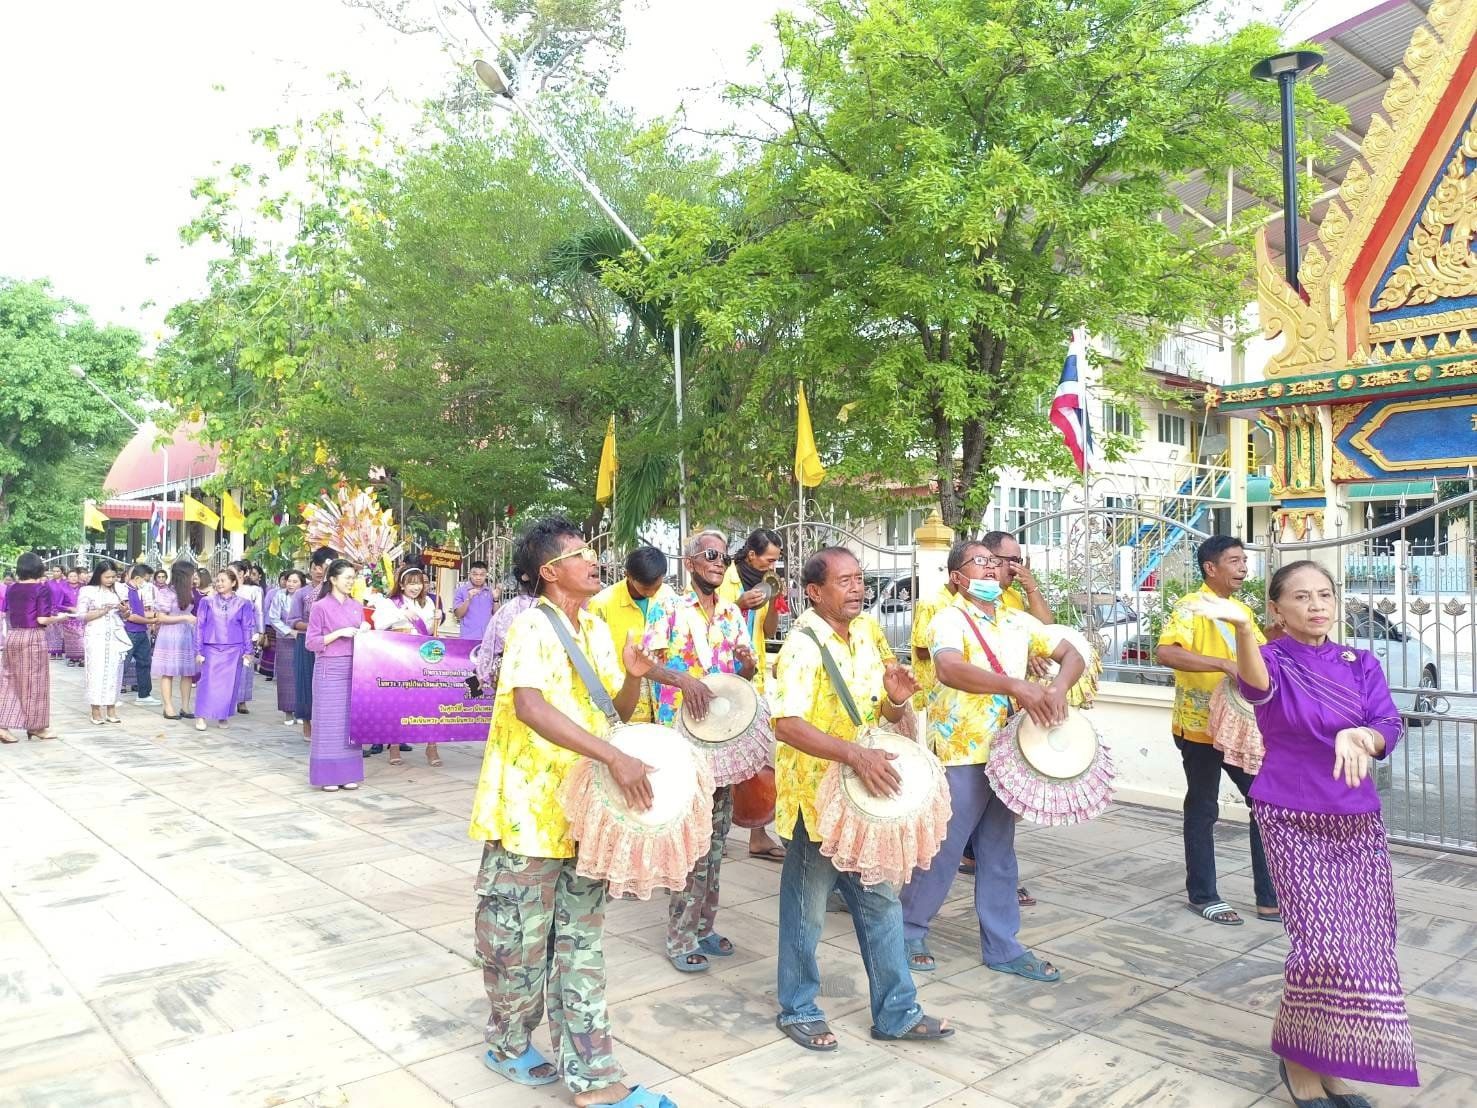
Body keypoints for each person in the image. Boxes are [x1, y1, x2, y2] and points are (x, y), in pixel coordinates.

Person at [1194, 561, 1416, 1106]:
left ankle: (1330, 1063)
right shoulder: (1269, 659)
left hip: (1357, 818)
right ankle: (1299, 1064)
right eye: (1300, 597)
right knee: (1320, 947)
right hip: (1292, 815)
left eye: (1324, 595)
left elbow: (1390, 724)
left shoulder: (1360, 663)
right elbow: (1255, 686)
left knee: (1364, 947)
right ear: (1277, 609)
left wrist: (1364, 735)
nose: (1316, 605)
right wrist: (1245, 632)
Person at [468, 518, 670, 1106]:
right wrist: (612, 756)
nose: (596, 561)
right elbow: (528, 706)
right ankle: (506, 1041)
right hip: (528, 814)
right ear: (550, 572)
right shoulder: (532, 624)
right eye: (583, 554)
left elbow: (615, 712)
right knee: (518, 947)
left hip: (585, 813)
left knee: (580, 946)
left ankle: (594, 1080)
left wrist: (633, 678)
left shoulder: (598, 630)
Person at [770, 546, 950, 1052]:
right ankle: (798, 1007)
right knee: (805, 913)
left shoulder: (869, 633)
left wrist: (895, 699)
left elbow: (882, 715)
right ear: (814, 591)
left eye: (860, 579)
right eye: (844, 580)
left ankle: (896, 1012)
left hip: (861, 798)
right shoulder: (802, 646)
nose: (857, 588)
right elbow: (786, 725)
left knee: (881, 905)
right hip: (816, 800)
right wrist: (853, 755)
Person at [899, 536, 1082, 981]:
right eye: (977, 563)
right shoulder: (949, 618)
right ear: (957, 578)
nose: (989, 569)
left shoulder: (1018, 622)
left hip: (1008, 751)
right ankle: (907, 930)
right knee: (944, 845)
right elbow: (948, 668)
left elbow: (1072, 652)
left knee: (999, 852)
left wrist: (1055, 689)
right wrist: (1016, 687)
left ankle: (1002, 945)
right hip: (960, 749)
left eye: (993, 562)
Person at [639, 531, 756, 973]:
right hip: (684, 739)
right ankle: (681, 935)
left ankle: (705, 926)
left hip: (723, 738)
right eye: (711, 555)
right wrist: (684, 681)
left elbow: (741, 670)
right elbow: (645, 663)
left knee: (718, 840)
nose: (719, 563)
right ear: (690, 562)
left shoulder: (730, 611)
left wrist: (747, 665)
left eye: (725, 558)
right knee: (692, 842)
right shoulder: (668, 607)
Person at [1157, 534, 1279, 927]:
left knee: (1265, 803)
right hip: (1199, 728)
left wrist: (1279, 632)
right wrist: (1223, 665)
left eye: (1244, 560)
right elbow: (1167, 652)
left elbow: (1258, 656)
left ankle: (1269, 899)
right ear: (1211, 568)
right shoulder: (1191, 608)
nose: (1244, 567)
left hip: (1239, 727)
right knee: (1203, 807)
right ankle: (1203, 895)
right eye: (1234, 560)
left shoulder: (1239, 610)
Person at [718, 528, 789, 862]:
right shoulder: (724, 579)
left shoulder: (767, 582)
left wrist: (773, 600)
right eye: (769, 559)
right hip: (722, 674)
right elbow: (708, 620)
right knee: (719, 753)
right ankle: (712, 828)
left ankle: (758, 833)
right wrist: (737, 604)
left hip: (752, 675)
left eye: (776, 560)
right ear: (751, 556)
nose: (772, 565)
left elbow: (770, 631)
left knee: (757, 753)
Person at [587, 545, 675, 726]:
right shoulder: (601, 604)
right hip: (625, 697)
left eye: (656, 587)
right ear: (628, 575)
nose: (651, 593)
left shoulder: (668, 595)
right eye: (645, 588)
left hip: (664, 695)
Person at [306, 558, 368, 790]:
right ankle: (328, 776)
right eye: (347, 578)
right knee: (327, 722)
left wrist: (364, 631)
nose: (351, 582)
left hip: (354, 668)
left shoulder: (356, 605)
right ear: (333, 579)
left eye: (353, 578)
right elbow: (311, 643)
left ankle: (349, 773)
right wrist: (339, 633)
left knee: (349, 723)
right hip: (329, 668)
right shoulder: (320, 607)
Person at [374, 565, 442, 766]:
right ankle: (394, 745)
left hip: (423, 657)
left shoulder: (428, 602)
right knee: (397, 702)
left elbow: (429, 630)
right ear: (401, 584)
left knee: (429, 703)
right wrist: (402, 615)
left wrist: (437, 618)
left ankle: (432, 747)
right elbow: (379, 625)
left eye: (419, 582)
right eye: (411, 583)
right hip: (398, 657)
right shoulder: (390, 603)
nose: (415, 587)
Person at [0, 552, 64, 740]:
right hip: (33, 637)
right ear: (39, 568)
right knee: (35, 683)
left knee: (8, 681)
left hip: (13, 636)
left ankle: (2, 725)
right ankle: (36, 727)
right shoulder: (41, 589)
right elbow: (42, 619)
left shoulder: (11, 588)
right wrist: (61, 618)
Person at [194, 568, 258, 733]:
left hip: (234, 649)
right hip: (211, 647)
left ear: (234, 583)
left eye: (223, 580)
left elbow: (247, 628)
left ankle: (223, 715)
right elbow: (199, 626)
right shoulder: (207, 602)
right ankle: (201, 715)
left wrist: (248, 651)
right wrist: (198, 650)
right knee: (207, 683)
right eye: (218, 580)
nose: (219, 583)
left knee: (229, 685)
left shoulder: (244, 603)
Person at [290, 548, 338, 742]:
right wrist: (315, 627)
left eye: (324, 567)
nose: (320, 571)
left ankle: (328, 725)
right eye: (316, 567)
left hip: (333, 643)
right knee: (306, 683)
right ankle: (308, 725)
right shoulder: (302, 593)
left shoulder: (338, 593)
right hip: (307, 643)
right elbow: (293, 621)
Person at [77, 562, 129, 724]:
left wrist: (123, 610)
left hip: (115, 633)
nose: (110, 580)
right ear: (98, 575)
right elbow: (81, 616)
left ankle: (111, 708)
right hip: (96, 634)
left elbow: (127, 614)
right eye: (107, 577)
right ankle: (95, 709)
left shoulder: (120, 589)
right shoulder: (88, 591)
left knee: (115, 670)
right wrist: (104, 610)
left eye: (113, 577)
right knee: (96, 670)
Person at [471, 568, 537, 695]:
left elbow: (493, 641)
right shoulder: (513, 607)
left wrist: (483, 669)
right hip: (519, 676)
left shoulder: (510, 607)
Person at [153, 562, 201, 720]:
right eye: (191, 574)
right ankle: (168, 707)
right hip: (170, 634)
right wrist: (185, 617)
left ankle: (185, 707)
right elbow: (160, 617)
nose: (194, 577)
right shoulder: (166, 592)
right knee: (168, 672)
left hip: (186, 634)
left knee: (187, 672)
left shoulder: (190, 592)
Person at [120, 563, 161, 706]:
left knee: (145, 663)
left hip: (141, 632)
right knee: (122, 665)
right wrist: (152, 620)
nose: (147, 582)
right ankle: (112, 695)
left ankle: (144, 694)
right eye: (146, 579)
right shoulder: (124, 591)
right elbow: (129, 616)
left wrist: (155, 617)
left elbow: (141, 612)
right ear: (137, 578)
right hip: (129, 631)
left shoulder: (138, 591)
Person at [269, 570, 304, 726]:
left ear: (302, 584)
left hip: (303, 639)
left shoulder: (306, 597)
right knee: (286, 677)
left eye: (295, 581)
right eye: (289, 581)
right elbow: (274, 618)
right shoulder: (279, 596)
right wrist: (290, 631)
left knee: (302, 676)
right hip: (285, 640)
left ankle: (302, 711)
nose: (290, 584)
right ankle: (288, 713)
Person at [231, 560, 263, 714]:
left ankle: (242, 700)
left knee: (246, 665)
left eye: (233, 571)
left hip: (248, 631)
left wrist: (261, 632)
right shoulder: (225, 588)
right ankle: (228, 698)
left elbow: (259, 612)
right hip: (228, 631)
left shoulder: (254, 590)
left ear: (242, 573)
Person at [453, 560, 496, 641]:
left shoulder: (490, 592)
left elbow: (496, 614)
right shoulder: (461, 591)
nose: (478, 577)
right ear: (470, 575)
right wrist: (468, 598)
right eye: (475, 574)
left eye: (482, 575)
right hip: (468, 637)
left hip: (487, 638)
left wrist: (496, 599)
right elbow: (458, 614)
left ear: (486, 575)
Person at [59, 568, 84, 667]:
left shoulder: (84, 588)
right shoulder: (63, 588)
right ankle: (72, 658)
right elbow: (58, 604)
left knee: (82, 638)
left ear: (78, 577)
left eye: (75, 576)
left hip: (82, 617)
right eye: (71, 576)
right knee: (71, 639)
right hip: (69, 618)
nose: (73, 578)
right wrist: (70, 608)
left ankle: (82, 658)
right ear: (67, 578)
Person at [44, 566, 67, 657]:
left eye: (58, 571)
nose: (55, 573)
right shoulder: (48, 583)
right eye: (54, 571)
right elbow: (45, 596)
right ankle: (53, 651)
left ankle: (60, 651)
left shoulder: (66, 583)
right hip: (51, 609)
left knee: (61, 631)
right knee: (51, 631)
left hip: (63, 609)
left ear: (62, 572)